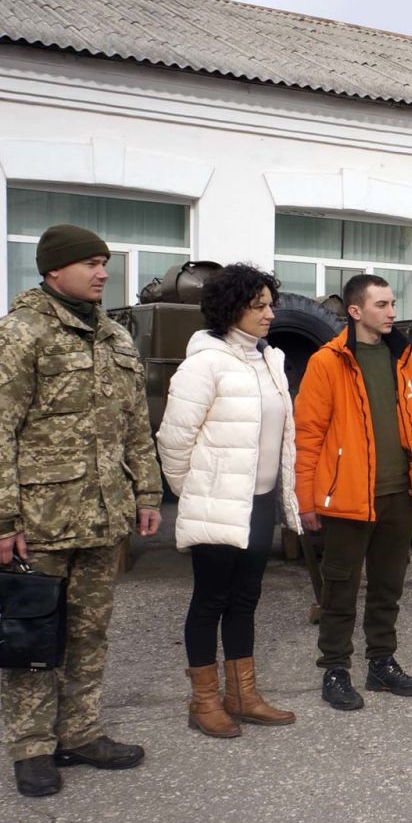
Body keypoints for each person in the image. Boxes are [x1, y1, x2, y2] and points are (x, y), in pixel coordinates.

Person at [0, 224, 162, 797]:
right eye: (90, 263)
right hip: (39, 523)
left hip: (102, 515)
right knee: (30, 636)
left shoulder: (114, 339)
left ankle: (79, 732)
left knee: (90, 632)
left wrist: (146, 494)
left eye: (105, 262)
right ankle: (31, 749)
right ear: (53, 270)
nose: (103, 272)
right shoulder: (15, 334)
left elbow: (133, 429)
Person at [157, 264, 301, 737]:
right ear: (230, 308)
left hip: (260, 503)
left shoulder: (268, 359)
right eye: (257, 305)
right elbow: (174, 442)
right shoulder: (205, 363)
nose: (269, 313)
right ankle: (203, 701)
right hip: (217, 502)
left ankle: (242, 695)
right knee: (210, 600)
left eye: (269, 303)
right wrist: (196, 491)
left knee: (245, 598)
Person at [294, 273, 412, 710]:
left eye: (392, 303)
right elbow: (308, 434)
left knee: (388, 587)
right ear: (355, 311)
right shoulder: (327, 362)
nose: (391, 312)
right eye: (381, 305)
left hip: (398, 493)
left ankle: (381, 663)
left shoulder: (402, 357)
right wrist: (306, 499)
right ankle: (335, 668)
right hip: (349, 496)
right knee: (340, 589)